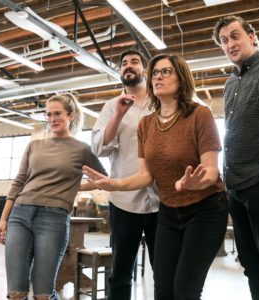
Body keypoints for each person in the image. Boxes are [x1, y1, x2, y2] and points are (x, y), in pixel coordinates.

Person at [84, 54, 228, 300]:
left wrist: (198, 181)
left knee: (184, 289)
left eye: (166, 72)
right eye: (156, 73)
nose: (158, 77)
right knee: (159, 287)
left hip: (199, 208)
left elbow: (212, 170)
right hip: (161, 209)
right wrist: (113, 184)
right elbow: (144, 174)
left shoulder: (199, 113)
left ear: (181, 79)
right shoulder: (142, 122)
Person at [0, 93, 106, 300]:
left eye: (57, 113)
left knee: (43, 295)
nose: (52, 119)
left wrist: (74, 187)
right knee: (16, 293)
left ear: (70, 116)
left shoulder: (82, 149)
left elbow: (103, 178)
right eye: (48, 114)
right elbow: (19, 182)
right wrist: (3, 219)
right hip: (20, 214)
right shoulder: (34, 146)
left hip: (53, 219)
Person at [91, 49, 159, 300]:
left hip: (162, 200)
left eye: (134, 62)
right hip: (123, 201)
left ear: (145, 70)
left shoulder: (161, 100)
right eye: (123, 64)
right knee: (120, 271)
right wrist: (119, 114)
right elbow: (99, 147)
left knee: (163, 269)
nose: (128, 66)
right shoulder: (111, 106)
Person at [213, 15, 259, 300]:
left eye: (235, 36)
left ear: (251, 35)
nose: (230, 44)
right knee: (250, 265)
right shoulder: (229, 84)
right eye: (224, 41)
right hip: (236, 189)